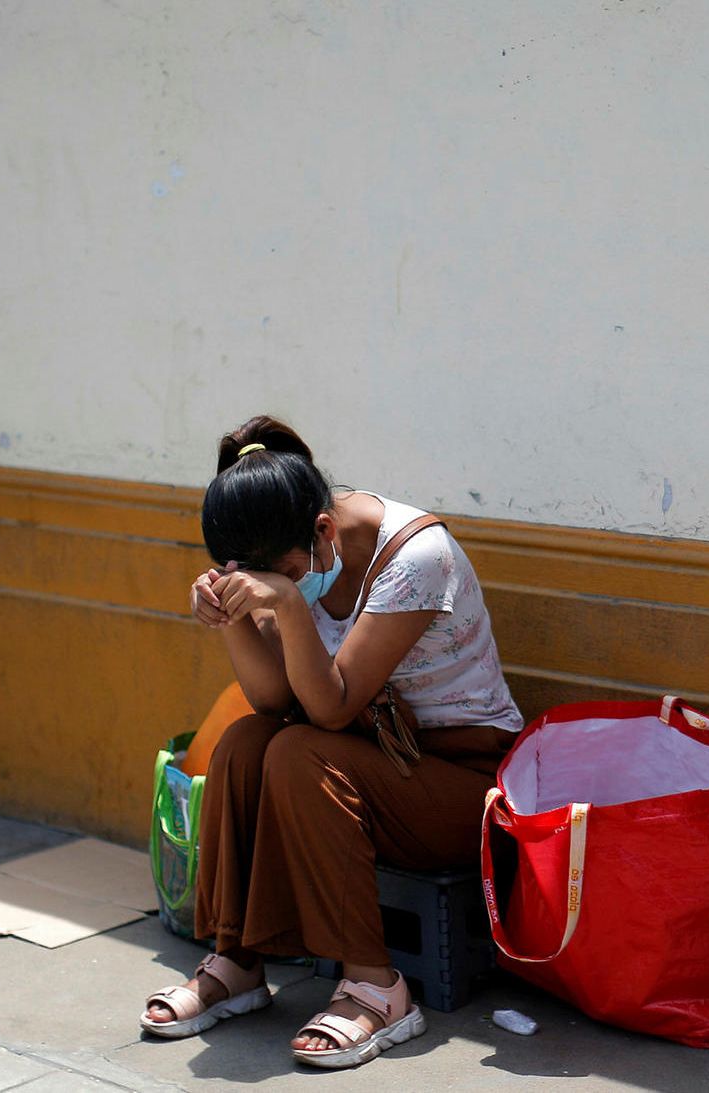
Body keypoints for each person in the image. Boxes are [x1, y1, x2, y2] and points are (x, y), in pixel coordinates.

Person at [138, 415, 524, 1069]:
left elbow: (333, 705)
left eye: (285, 574)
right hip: (379, 761)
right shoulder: (290, 552)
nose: (278, 586)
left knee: (296, 751)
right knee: (245, 740)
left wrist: (286, 606)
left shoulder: (415, 557)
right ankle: (236, 961)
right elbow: (274, 701)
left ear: (322, 531)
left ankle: (379, 987)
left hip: (465, 784)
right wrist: (234, 618)